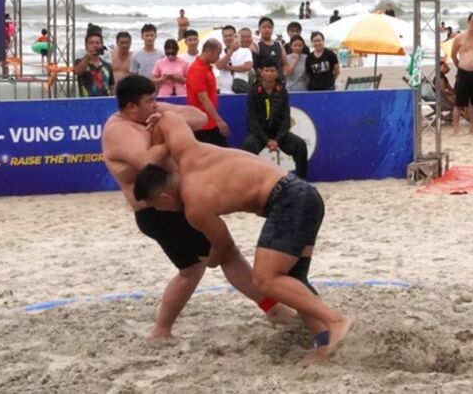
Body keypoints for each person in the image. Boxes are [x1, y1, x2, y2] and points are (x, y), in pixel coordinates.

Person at [133, 111, 353, 366]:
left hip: (287, 201)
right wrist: (157, 118)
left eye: (158, 207)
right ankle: (324, 339)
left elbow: (224, 247)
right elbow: (168, 119)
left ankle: (336, 321)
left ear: (163, 198)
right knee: (292, 279)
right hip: (303, 193)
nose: (162, 211)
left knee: (266, 278)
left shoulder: (194, 207)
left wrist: (210, 260)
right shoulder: (186, 150)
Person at [101, 76, 294, 340]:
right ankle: (274, 310)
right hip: (159, 210)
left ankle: (161, 330)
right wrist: (174, 137)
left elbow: (200, 117)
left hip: (173, 204)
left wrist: (167, 120)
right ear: (131, 107)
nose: (155, 104)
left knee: (190, 270)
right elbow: (147, 163)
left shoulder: (153, 112)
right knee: (227, 254)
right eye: (150, 101)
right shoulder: (119, 130)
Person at [244, 59, 308, 178]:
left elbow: (285, 119)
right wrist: (266, 140)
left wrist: (277, 140)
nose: (269, 73)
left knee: (300, 145)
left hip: (278, 133)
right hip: (260, 134)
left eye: (272, 70)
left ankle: (301, 180)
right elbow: (253, 121)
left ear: (277, 73)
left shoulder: (282, 91)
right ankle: (249, 180)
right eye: (266, 70)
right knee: (248, 145)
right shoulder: (253, 92)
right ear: (261, 72)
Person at [186, 38, 230, 146]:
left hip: (210, 122)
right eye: (218, 53)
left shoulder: (207, 68)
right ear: (208, 51)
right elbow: (204, 99)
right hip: (202, 124)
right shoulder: (197, 69)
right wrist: (219, 120)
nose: (218, 57)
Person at [450, 12, 473, 135]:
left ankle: (472, 129)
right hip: (463, 72)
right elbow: (453, 55)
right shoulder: (459, 38)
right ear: (468, 22)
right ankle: (456, 129)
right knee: (459, 102)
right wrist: (460, 66)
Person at [73, 24, 114, 97]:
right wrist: (87, 57)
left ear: (102, 45)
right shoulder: (80, 62)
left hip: (105, 101)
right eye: (91, 43)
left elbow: (111, 86)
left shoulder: (107, 65)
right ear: (86, 46)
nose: (94, 45)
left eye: (97, 43)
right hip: (86, 102)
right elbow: (78, 72)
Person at [215, 25, 238, 94]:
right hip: (225, 91)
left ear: (235, 36)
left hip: (242, 89)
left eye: (230, 35)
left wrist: (227, 67)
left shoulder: (244, 50)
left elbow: (247, 67)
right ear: (223, 38)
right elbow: (219, 66)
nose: (228, 38)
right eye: (225, 36)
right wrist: (231, 51)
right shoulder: (219, 52)